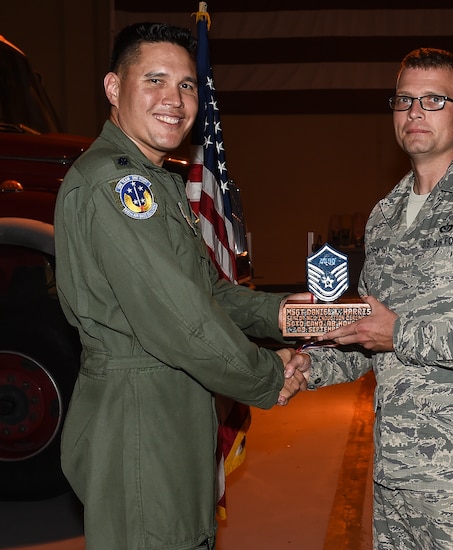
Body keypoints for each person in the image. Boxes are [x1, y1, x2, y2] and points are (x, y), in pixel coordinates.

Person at [283, 47, 453, 549]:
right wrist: (306, 363)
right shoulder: (385, 214)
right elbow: (367, 328)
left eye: (434, 100)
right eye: (404, 100)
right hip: (397, 475)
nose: (414, 112)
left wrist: (400, 333)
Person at [54, 22, 305, 549]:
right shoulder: (117, 185)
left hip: (170, 402)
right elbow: (182, 318)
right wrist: (263, 376)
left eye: (187, 85)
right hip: (140, 415)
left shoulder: (155, 180)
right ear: (113, 88)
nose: (175, 99)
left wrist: (284, 315)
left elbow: (206, 292)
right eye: (155, 80)